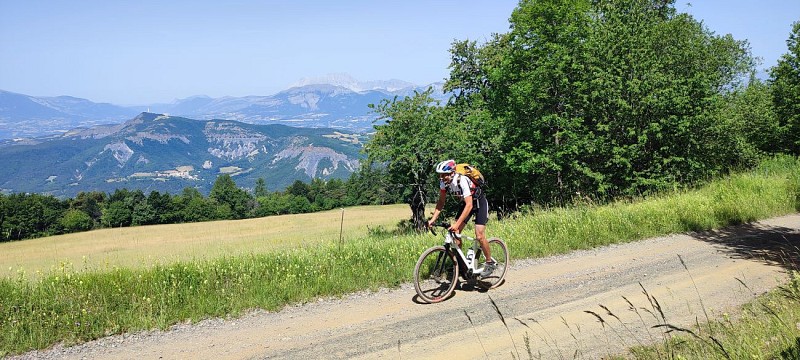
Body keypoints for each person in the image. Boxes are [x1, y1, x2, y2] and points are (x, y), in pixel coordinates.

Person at [427, 159, 496, 276]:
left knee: (479, 235)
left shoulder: (461, 180)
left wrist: (456, 224)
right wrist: (433, 219)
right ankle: (462, 266)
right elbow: (441, 202)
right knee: (456, 234)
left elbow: (469, 205)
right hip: (466, 204)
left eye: (444, 175)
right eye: (440, 175)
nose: (441, 178)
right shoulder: (444, 183)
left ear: (452, 173)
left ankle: (489, 263)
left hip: (479, 203)